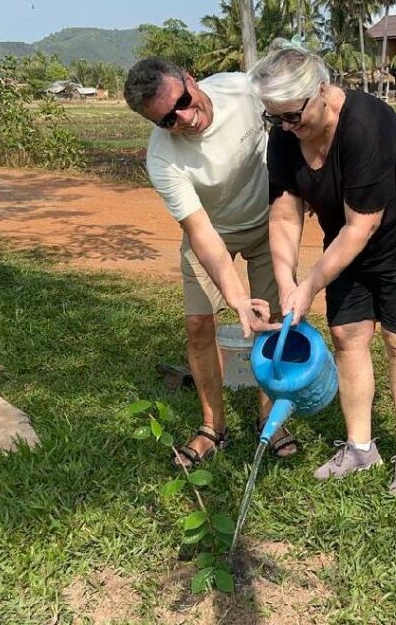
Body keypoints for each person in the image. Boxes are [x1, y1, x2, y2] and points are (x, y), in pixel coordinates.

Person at [248, 42, 396, 496]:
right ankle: (361, 447)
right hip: (345, 244)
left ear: (322, 90)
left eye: (293, 115)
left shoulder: (367, 123)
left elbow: (362, 225)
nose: (287, 126)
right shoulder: (285, 137)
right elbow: (285, 215)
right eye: (276, 118)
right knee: (347, 336)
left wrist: (310, 284)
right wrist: (288, 280)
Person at [124, 57, 295, 467]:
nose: (183, 118)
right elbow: (201, 234)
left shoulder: (243, 90)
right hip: (211, 233)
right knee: (200, 324)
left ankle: (270, 416)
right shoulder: (162, 158)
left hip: (267, 225)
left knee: (272, 322)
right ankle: (212, 425)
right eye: (167, 119)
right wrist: (235, 299)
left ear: (190, 79)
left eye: (183, 100)